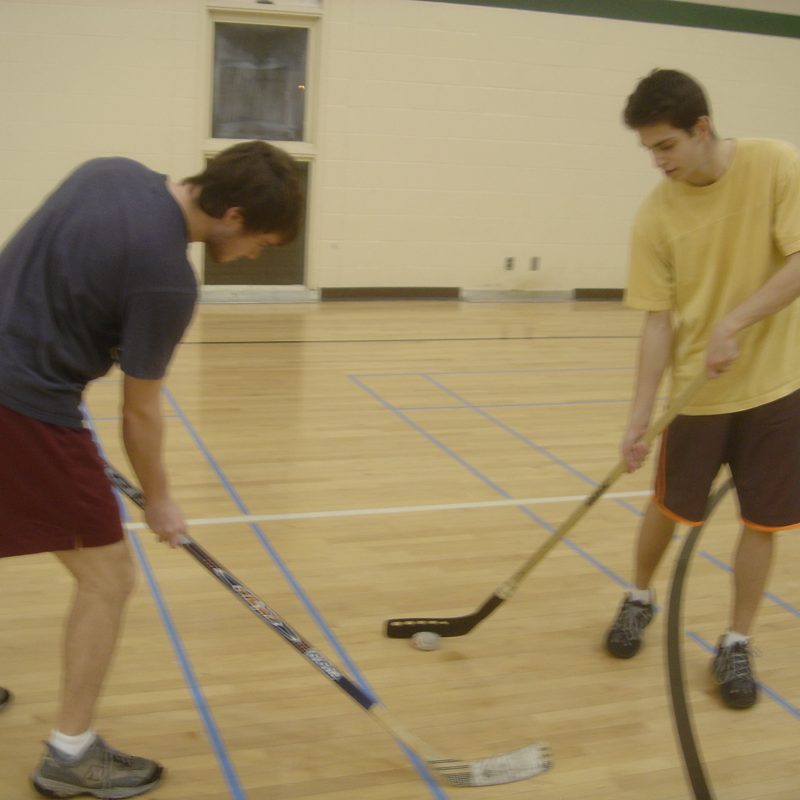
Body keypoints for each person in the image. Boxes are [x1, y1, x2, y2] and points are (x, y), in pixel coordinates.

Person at [0, 140, 302, 797]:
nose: (253, 255)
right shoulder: (167, 277)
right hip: (22, 401)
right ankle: (71, 754)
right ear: (233, 214)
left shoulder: (106, 172)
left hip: (18, 382)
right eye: (260, 242)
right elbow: (140, 414)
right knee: (107, 574)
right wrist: (160, 500)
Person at [604, 69, 800, 710]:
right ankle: (638, 596)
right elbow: (657, 321)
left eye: (665, 146)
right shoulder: (655, 218)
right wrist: (639, 415)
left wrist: (735, 322)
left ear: (701, 128)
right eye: (648, 150)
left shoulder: (775, 166)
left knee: (762, 522)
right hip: (698, 395)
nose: (657, 161)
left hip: (776, 387)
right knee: (668, 506)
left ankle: (737, 641)